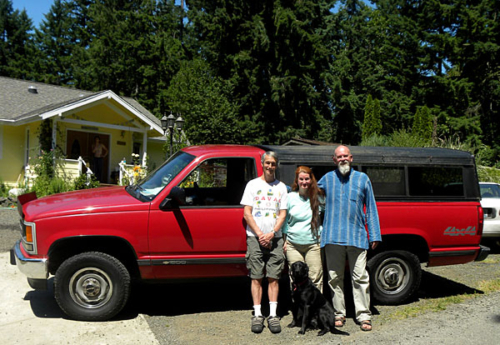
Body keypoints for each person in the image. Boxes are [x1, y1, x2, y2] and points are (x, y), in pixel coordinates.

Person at [317, 145, 381, 332]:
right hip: (332, 237)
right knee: (334, 278)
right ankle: (339, 313)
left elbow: (371, 207)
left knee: (360, 277)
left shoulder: (363, 179)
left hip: (357, 237)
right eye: (339, 156)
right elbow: (308, 189)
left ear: (351, 158)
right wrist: (288, 189)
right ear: (334, 159)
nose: (343, 159)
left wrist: (374, 234)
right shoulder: (327, 179)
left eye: (346, 156)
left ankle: (363, 315)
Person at [240, 151, 288, 334]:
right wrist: (261, 234)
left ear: (276, 165)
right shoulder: (252, 185)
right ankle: (258, 314)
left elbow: (282, 214)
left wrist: (272, 233)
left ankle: (273, 315)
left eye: (273, 164)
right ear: (262, 164)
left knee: (274, 277)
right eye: (267, 163)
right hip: (254, 237)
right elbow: (247, 213)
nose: (270, 166)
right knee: (256, 276)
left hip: (275, 238)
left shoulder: (281, 187)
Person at [282, 166, 324, 292]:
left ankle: (315, 309)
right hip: (293, 245)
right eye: (301, 179)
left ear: (311, 180)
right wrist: (285, 240)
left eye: (307, 179)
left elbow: (326, 217)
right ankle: (299, 308)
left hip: (313, 244)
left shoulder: (318, 197)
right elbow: (285, 221)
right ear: (297, 180)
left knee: (315, 277)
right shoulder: (290, 197)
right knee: (295, 278)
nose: (304, 182)